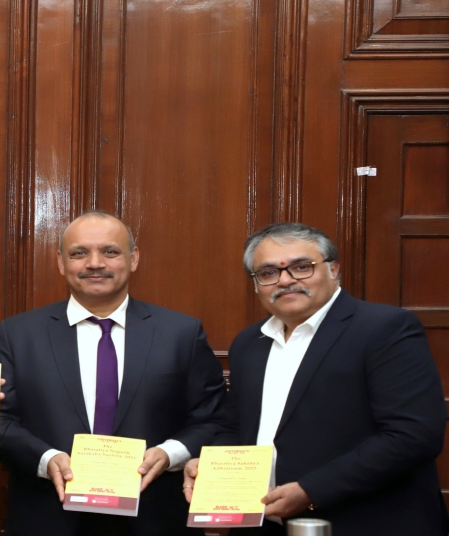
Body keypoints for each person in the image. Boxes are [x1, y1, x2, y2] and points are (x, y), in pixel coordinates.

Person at [184, 222, 448, 535]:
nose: (285, 280)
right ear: (256, 284)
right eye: (268, 273)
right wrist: (214, 469)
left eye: (301, 267)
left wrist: (311, 491)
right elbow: (235, 427)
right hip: (266, 525)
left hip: (367, 522)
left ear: (333, 270)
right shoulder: (249, 342)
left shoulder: (385, 328)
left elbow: (413, 435)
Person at [0, 211, 226, 535]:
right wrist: (46, 459)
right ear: (61, 262)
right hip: (48, 516)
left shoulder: (181, 333)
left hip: (154, 518)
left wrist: (170, 454)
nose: (95, 263)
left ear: (133, 258)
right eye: (79, 253)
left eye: (110, 251)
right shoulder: (18, 334)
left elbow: (213, 419)